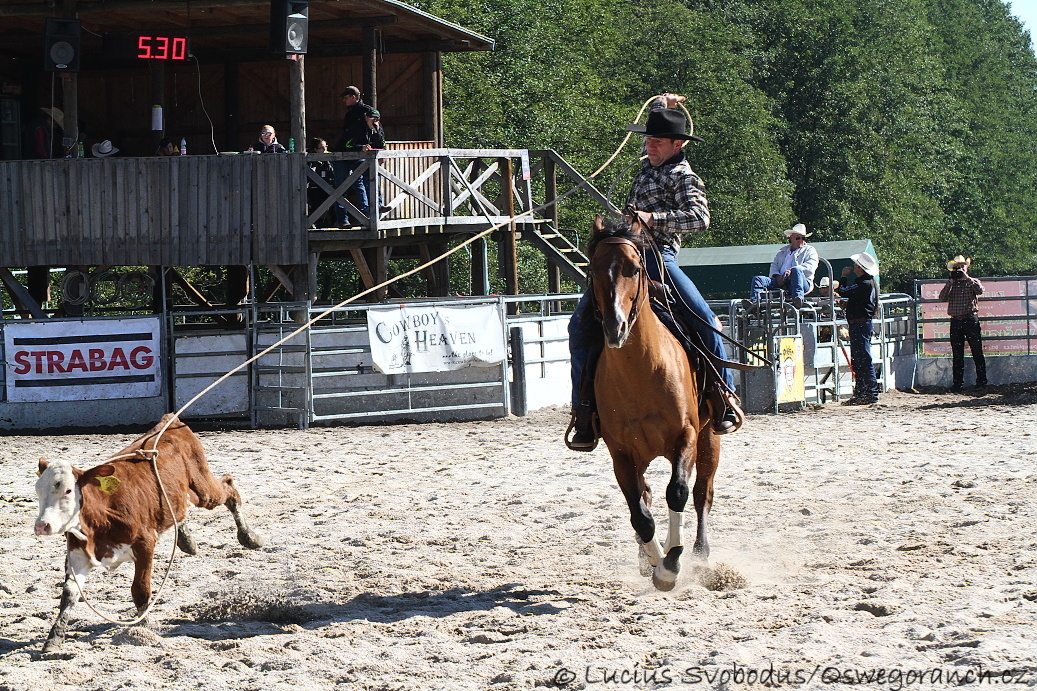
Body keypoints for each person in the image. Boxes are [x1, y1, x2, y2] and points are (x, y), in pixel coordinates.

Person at [568, 94, 743, 450]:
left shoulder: (684, 176)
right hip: (628, 256)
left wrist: (652, 218)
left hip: (659, 258)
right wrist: (661, 107)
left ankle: (724, 395)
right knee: (579, 325)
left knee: (703, 317)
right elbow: (659, 127)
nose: (649, 145)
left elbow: (700, 218)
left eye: (657, 141)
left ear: (677, 144)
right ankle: (583, 409)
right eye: (647, 139)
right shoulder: (648, 168)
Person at [834, 252, 880, 405]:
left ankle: (869, 392)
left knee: (862, 359)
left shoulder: (863, 284)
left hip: (860, 324)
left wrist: (843, 277)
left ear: (860, 268)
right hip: (861, 323)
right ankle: (865, 392)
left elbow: (843, 290)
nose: (853, 267)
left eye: (855, 265)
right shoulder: (868, 283)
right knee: (860, 358)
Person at [938, 254, 987, 392]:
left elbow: (980, 291)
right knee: (957, 353)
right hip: (956, 320)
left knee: (977, 351)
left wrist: (967, 278)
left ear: (966, 267)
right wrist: (951, 283)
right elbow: (942, 298)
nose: (959, 269)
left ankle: (982, 381)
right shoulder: (951, 284)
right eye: (956, 267)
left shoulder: (973, 281)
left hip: (970, 319)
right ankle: (957, 383)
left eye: (961, 266)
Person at [745, 223, 818, 308]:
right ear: (791, 238)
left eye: (803, 238)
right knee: (758, 279)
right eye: (798, 238)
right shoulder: (782, 252)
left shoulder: (810, 250)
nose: (801, 240)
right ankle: (754, 304)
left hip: (802, 282)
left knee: (796, 271)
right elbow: (774, 266)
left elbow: (811, 266)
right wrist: (777, 276)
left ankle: (798, 299)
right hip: (781, 281)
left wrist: (792, 272)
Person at [333, 86, 376, 224]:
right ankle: (343, 220)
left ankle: (365, 217)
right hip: (346, 151)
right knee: (342, 187)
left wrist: (378, 147)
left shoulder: (367, 111)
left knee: (360, 184)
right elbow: (347, 137)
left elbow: (376, 126)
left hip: (357, 152)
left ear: (353, 97)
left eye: (346, 97)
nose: (344, 100)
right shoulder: (349, 114)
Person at [306, 137, 335, 228]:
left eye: (326, 146)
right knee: (314, 199)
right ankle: (314, 222)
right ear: (315, 150)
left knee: (335, 197)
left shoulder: (331, 158)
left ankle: (335, 221)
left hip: (329, 186)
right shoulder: (310, 159)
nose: (325, 149)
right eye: (322, 148)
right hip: (314, 187)